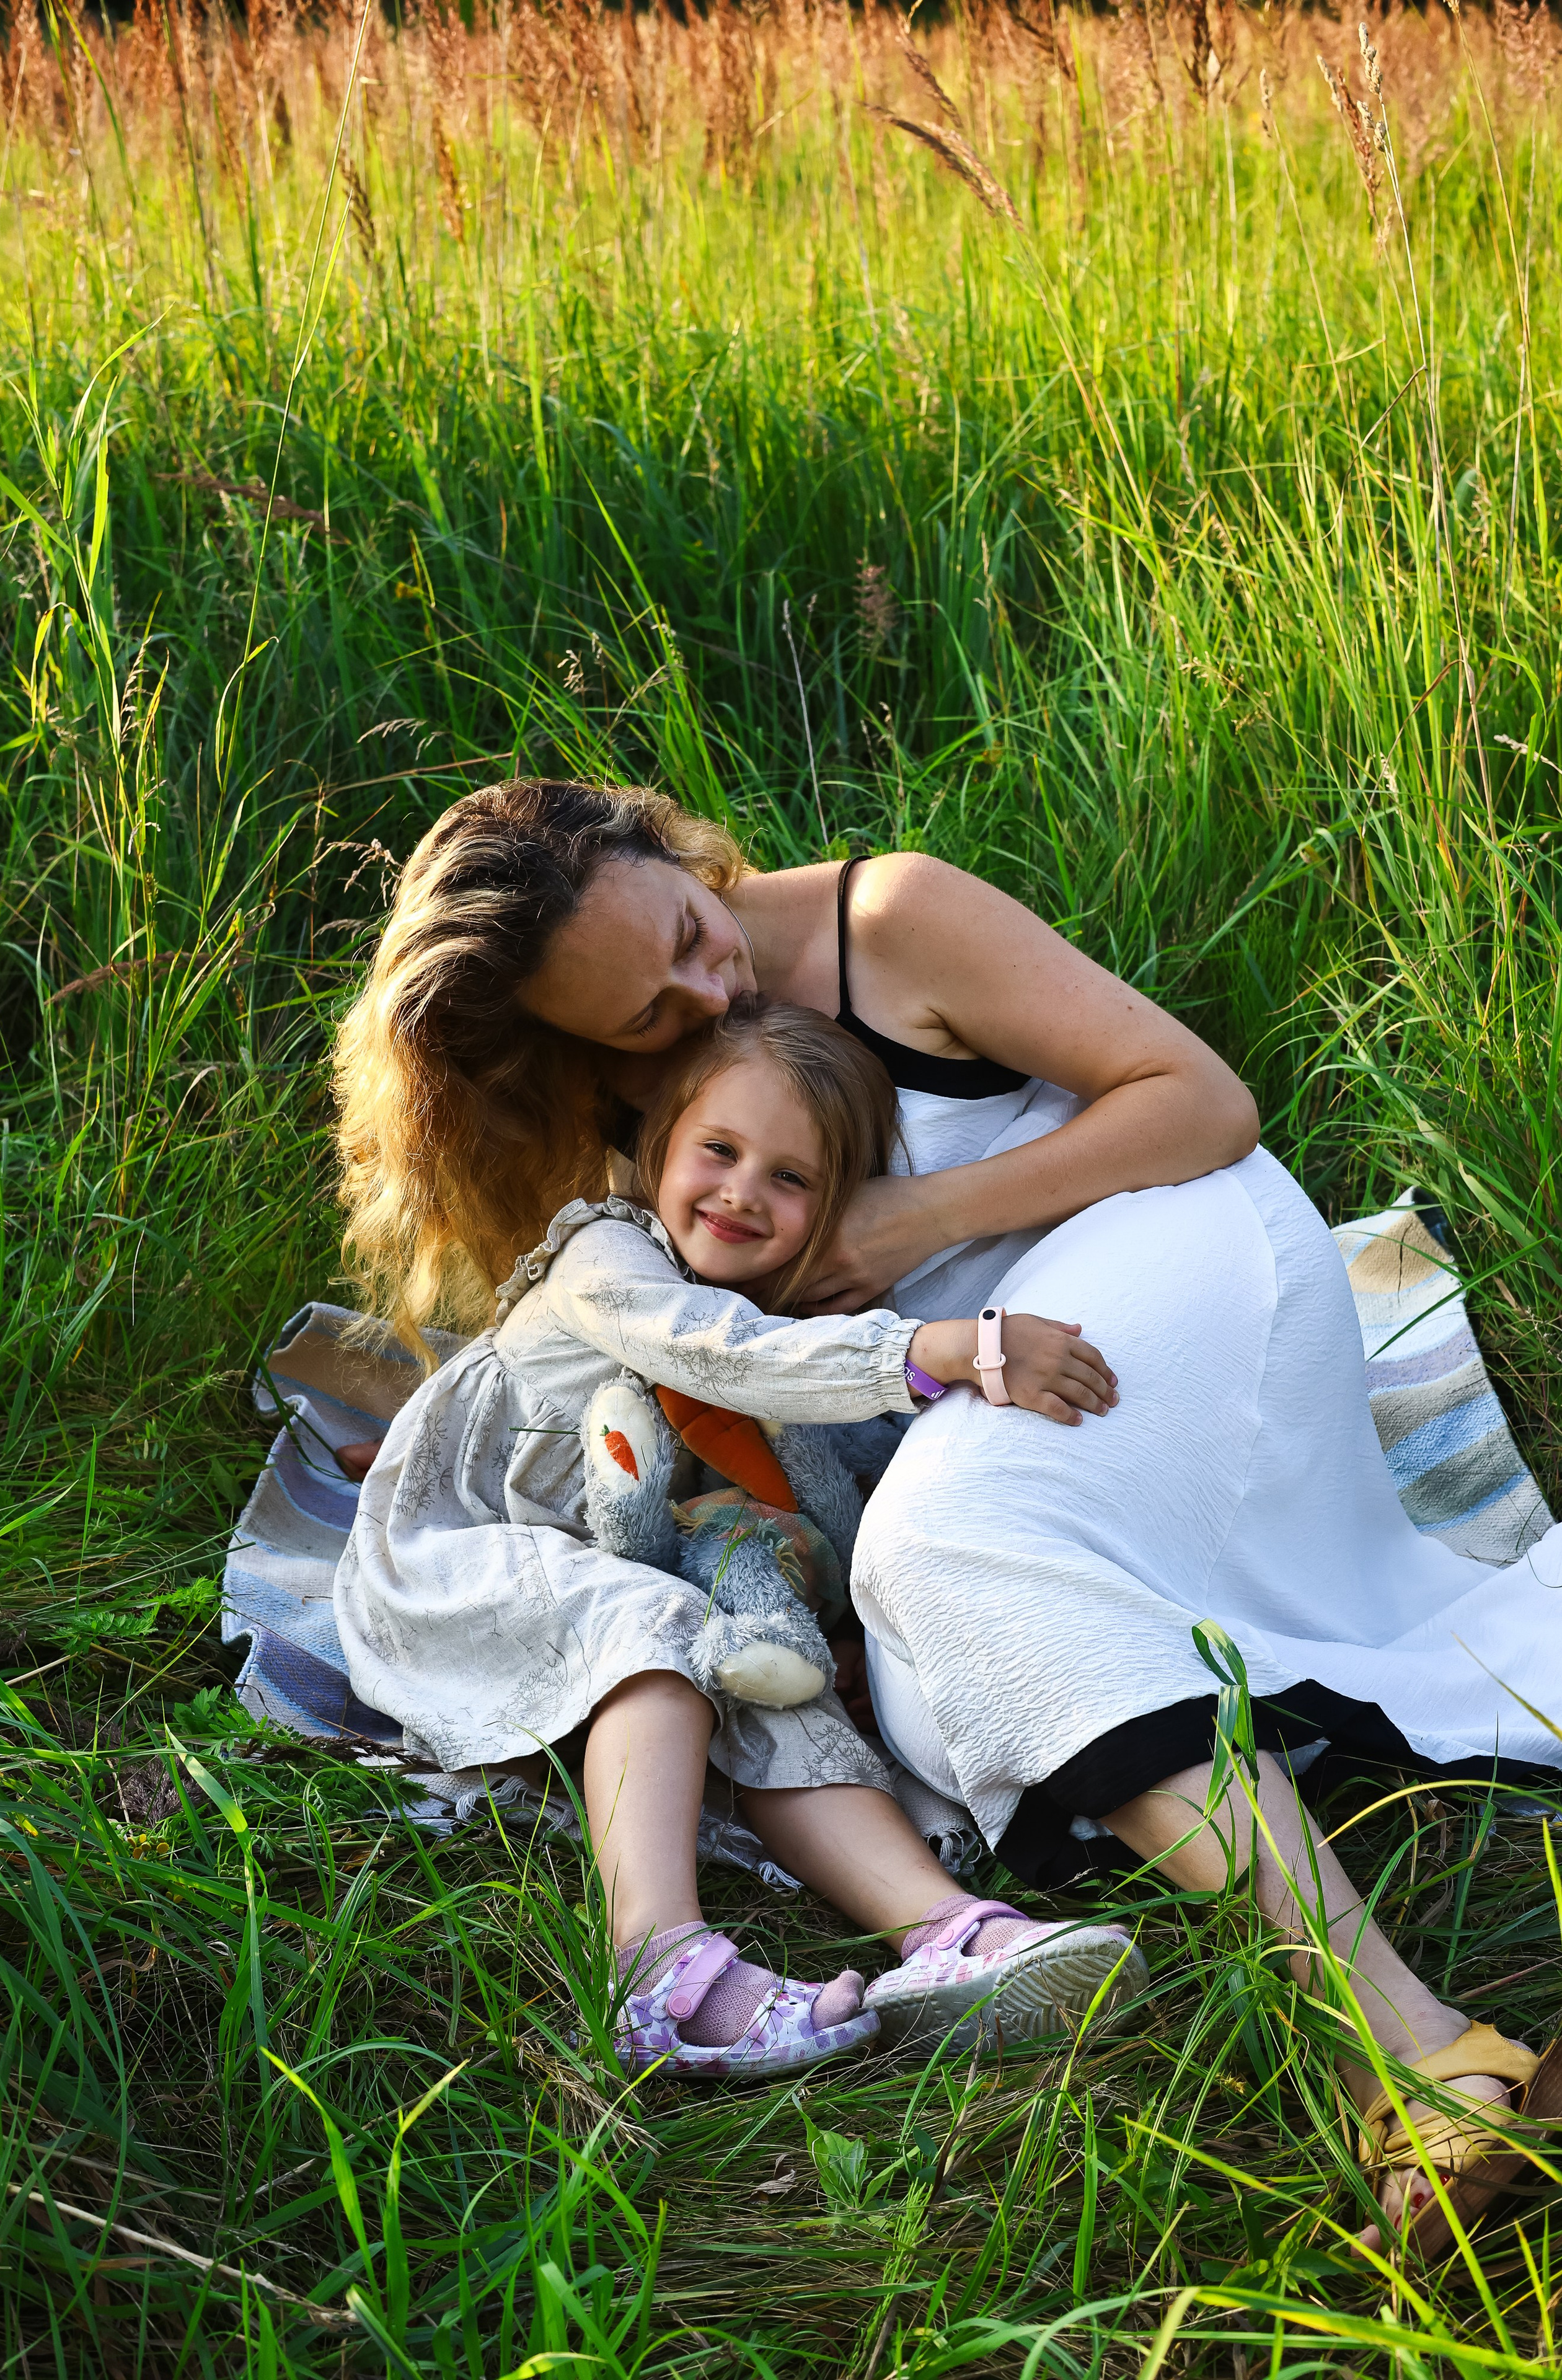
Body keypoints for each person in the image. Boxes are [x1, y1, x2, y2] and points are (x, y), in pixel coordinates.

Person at [333, 776, 1558, 2250]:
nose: (705, 995)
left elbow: (1203, 1104)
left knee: (933, 1547)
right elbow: (641, 1313)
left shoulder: (889, 920)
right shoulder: (612, 1076)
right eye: (645, 1015)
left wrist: (918, 1220)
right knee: (934, 1715)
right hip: (978, 1406)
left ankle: (1411, 2047)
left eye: (686, 938)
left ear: (660, 841)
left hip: (1160, 1247)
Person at [336, 998, 1144, 2078]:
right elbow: (717, 1354)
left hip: (632, 1578)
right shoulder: (610, 1253)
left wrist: (855, 1627)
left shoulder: (793, 1328)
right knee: (661, 1624)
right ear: (660, 1145)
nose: (741, 1192)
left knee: (766, 1675)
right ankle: (655, 1972)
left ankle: (947, 1932)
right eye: (718, 1150)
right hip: (469, 1556)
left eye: (791, 1177)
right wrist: (945, 1350)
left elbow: (839, 1485)